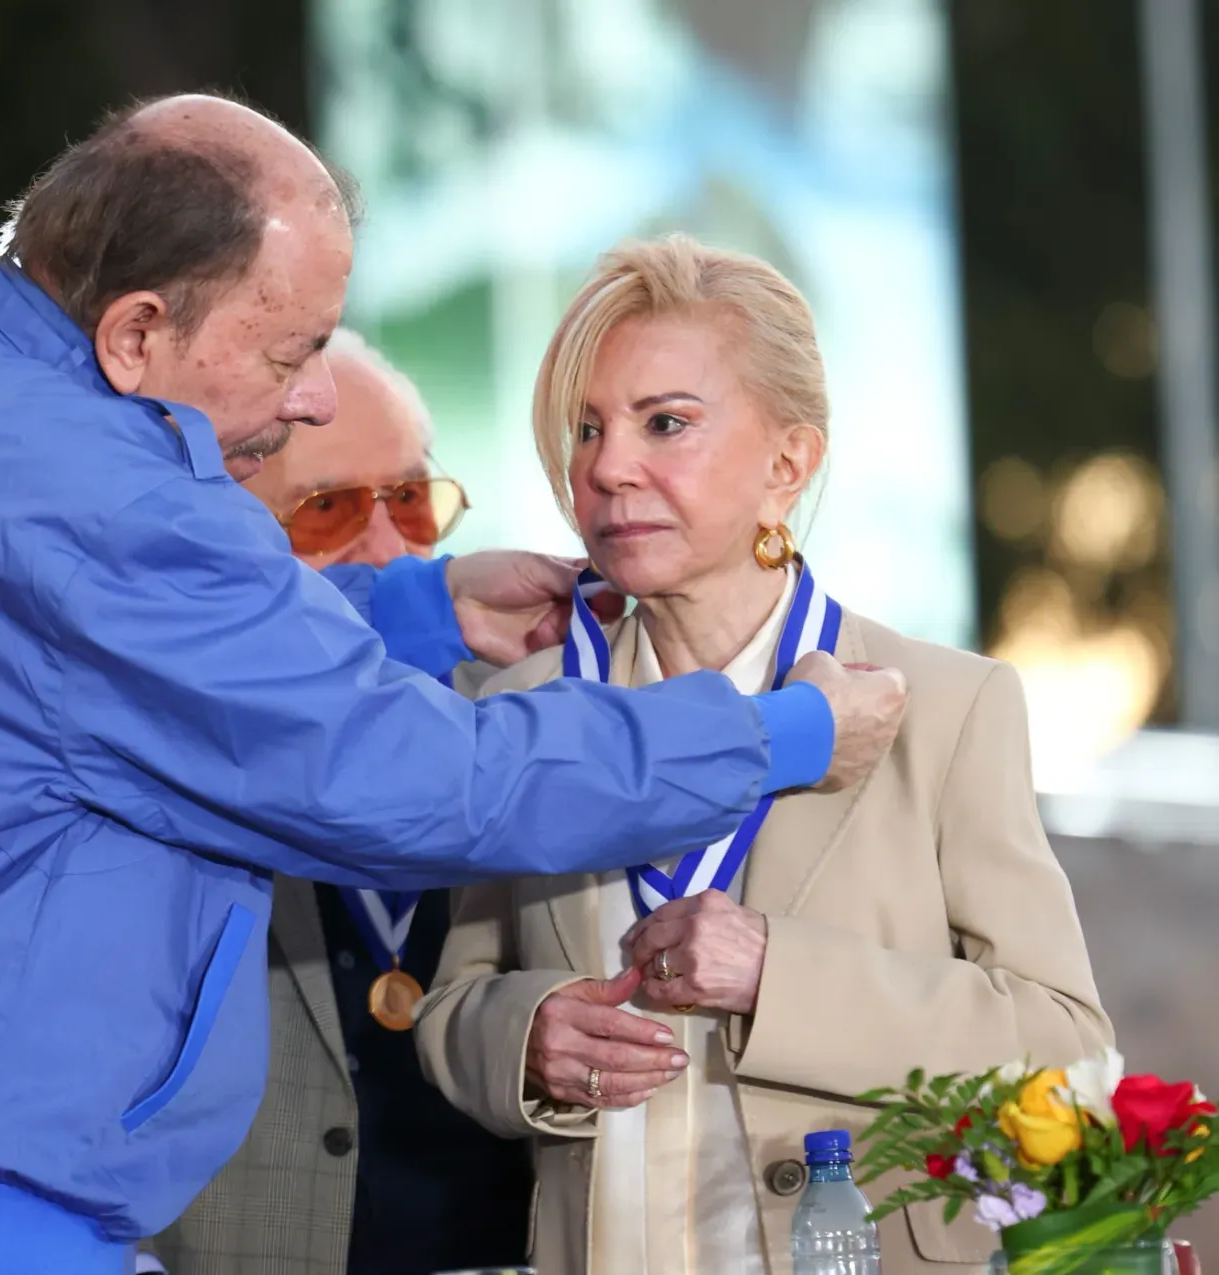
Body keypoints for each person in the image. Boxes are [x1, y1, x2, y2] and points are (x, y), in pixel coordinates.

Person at [0, 98, 907, 1275]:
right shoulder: (83, 485)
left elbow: (92, 663)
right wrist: (776, 733)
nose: (313, 394)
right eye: (293, 349)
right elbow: (422, 781)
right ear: (137, 332)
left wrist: (411, 607)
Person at [414, 234, 1112, 1275]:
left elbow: (1064, 1047)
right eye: (587, 428)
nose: (606, 467)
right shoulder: (521, 707)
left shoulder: (951, 706)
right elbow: (453, 1007)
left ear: (788, 463)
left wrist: (776, 976)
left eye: (667, 424)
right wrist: (524, 1037)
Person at [148, 329, 530, 1275]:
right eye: (328, 512)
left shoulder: (539, 720)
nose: (394, 550)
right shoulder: (157, 741)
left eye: (411, 497)